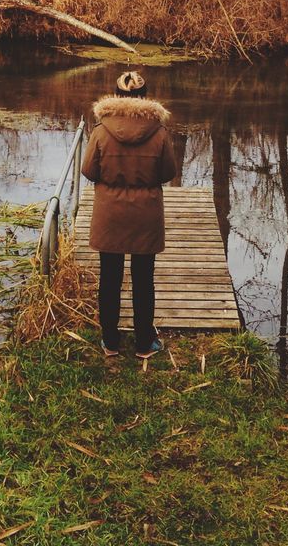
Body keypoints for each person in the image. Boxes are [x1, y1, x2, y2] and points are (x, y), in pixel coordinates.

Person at [80, 70, 178, 359]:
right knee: (143, 278)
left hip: (109, 214)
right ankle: (144, 344)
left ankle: (110, 342)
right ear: (145, 97)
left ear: (116, 96)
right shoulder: (158, 132)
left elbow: (88, 171)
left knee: (109, 278)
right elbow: (168, 172)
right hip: (145, 214)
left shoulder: (100, 130)